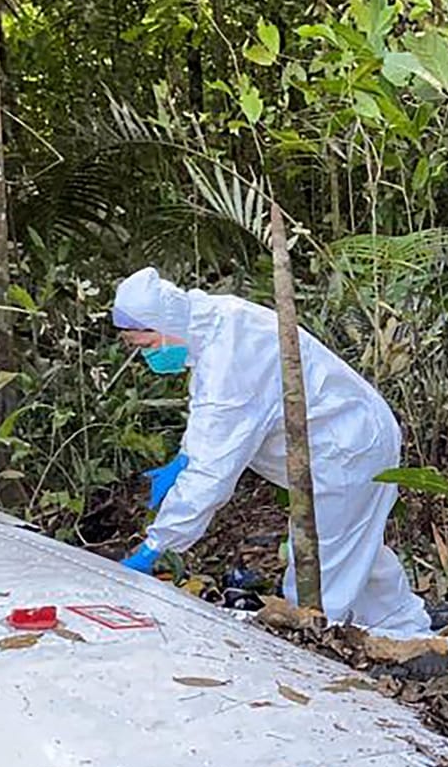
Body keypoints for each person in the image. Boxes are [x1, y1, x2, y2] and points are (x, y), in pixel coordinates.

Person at [111, 267, 431, 636]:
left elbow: (212, 473)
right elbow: (208, 421)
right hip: (355, 434)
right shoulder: (212, 322)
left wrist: (158, 545)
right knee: (357, 547)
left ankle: (319, 650)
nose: (148, 358)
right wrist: (183, 460)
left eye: (148, 347)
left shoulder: (228, 357)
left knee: (321, 564)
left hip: (343, 450)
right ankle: (408, 631)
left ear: (162, 323)